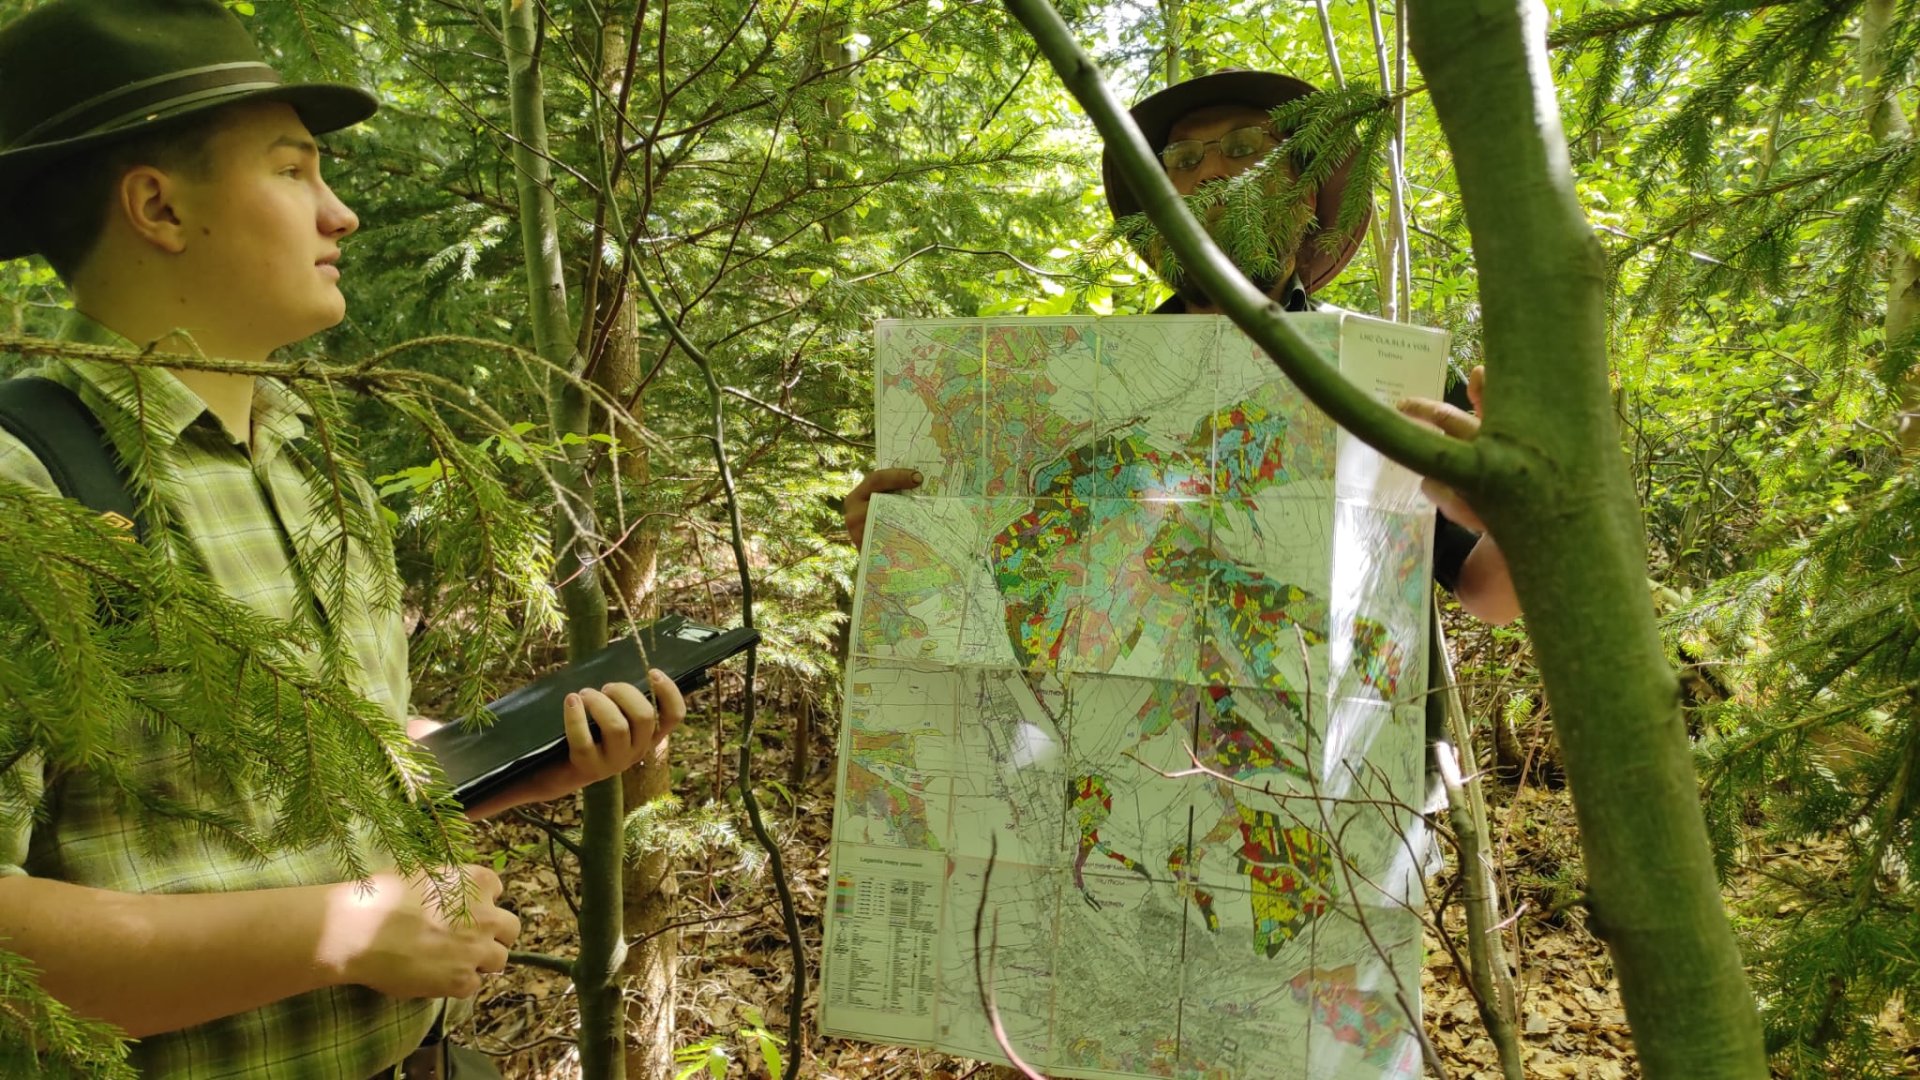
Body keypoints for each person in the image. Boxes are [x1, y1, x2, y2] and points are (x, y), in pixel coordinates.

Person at [0, 1, 681, 1076]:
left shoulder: (314, 457)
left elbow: (307, 758)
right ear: (159, 207)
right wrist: (349, 933)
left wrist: (508, 760)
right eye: (292, 170)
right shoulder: (25, 490)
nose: (342, 214)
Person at [845, 69, 1518, 625]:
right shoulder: (1080, 387)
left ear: (1307, 193)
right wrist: (902, 534)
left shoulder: (1388, 376)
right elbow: (1018, 583)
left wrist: (1516, 515)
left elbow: (1491, 596)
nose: (1214, 174)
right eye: (1184, 161)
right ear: (1160, 215)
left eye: (1246, 146)